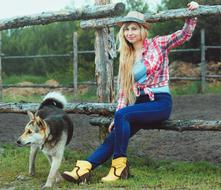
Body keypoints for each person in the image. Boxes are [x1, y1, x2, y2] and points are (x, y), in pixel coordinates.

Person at [62, 1, 199, 184]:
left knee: (123, 116)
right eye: (126, 30)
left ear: (143, 29)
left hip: (160, 103)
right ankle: (83, 169)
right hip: (140, 105)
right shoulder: (126, 57)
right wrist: (117, 116)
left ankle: (118, 168)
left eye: (134, 28)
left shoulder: (158, 43)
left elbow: (184, 35)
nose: (130, 33)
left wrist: (192, 14)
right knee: (114, 135)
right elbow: (123, 92)